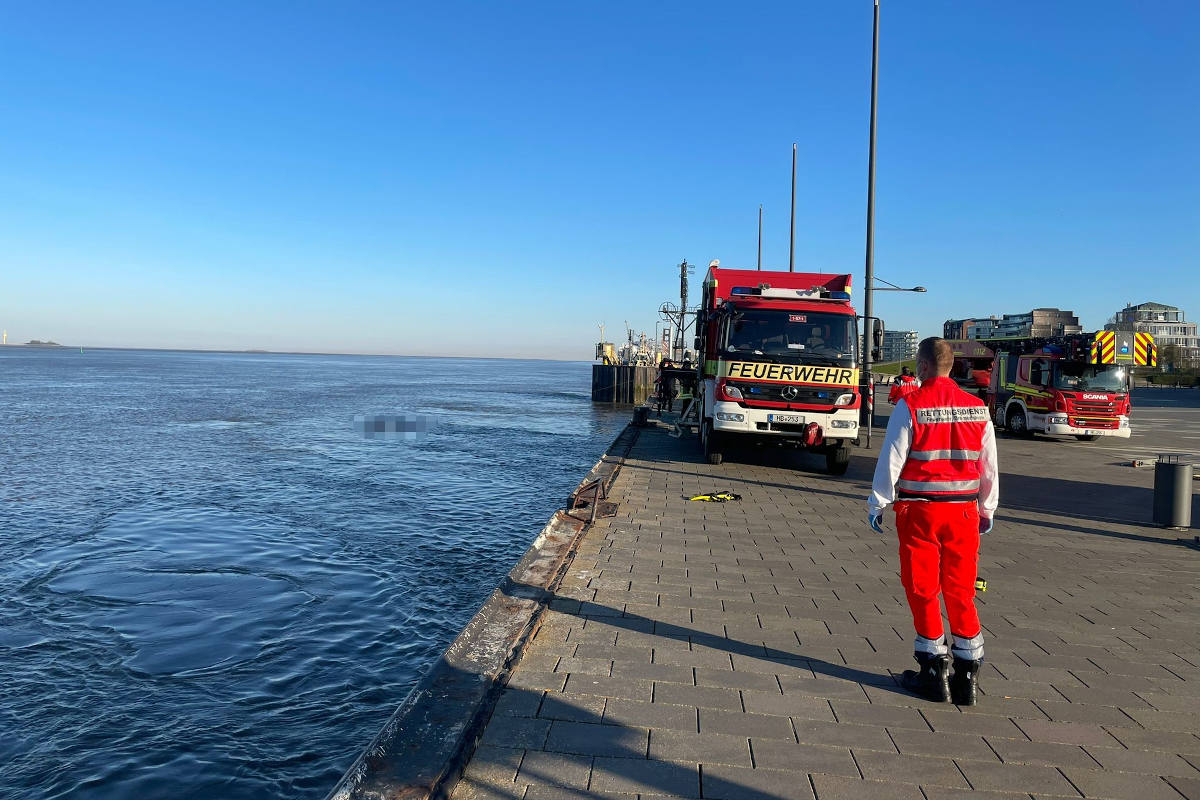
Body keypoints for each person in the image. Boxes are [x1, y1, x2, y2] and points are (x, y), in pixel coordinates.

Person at [867, 337, 998, 705]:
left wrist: (877, 503)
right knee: (961, 587)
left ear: (923, 367)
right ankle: (967, 674)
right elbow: (988, 465)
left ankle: (931, 670)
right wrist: (987, 508)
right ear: (952, 367)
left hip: (920, 510)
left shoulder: (911, 405)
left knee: (922, 586)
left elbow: (891, 458)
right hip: (963, 512)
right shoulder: (977, 408)